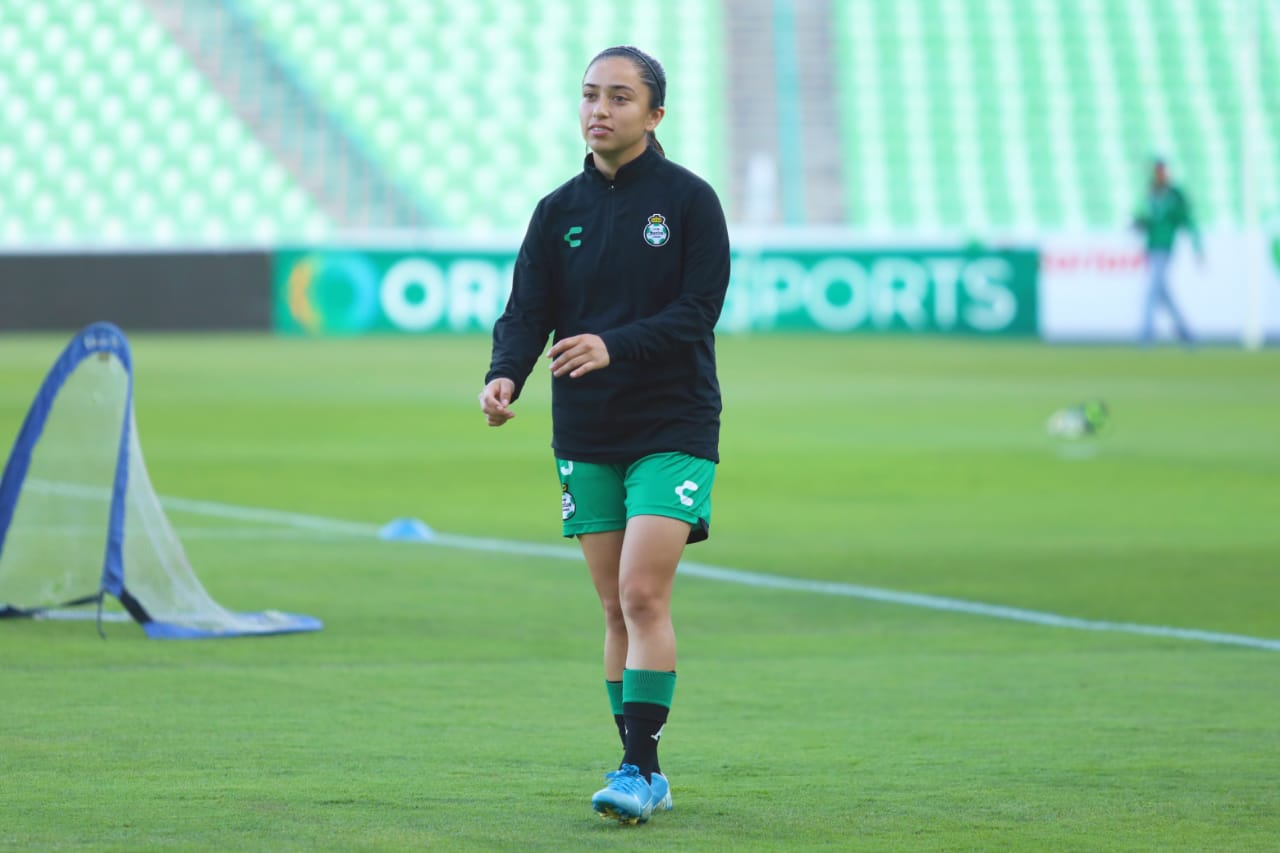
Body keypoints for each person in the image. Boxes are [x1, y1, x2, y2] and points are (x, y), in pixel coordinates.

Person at [478, 45, 730, 825]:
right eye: (591, 94)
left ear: (655, 114)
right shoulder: (558, 210)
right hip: (587, 428)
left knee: (642, 592)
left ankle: (638, 766)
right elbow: (528, 309)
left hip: (673, 421)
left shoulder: (689, 201)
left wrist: (614, 344)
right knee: (615, 609)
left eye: (620, 97)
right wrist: (505, 374)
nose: (600, 109)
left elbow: (700, 309)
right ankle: (641, 767)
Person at [1132, 158, 1203, 344]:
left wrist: (1197, 247)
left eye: (1161, 171)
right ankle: (1185, 332)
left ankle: (1146, 334)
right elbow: (1145, 219)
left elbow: (1188, 220)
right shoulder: (1151, 194)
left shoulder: (1174, 195)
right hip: (1152, 247)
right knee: (1162, 291)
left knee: (1152, 290)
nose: (1159, 175)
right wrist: (1139, 223)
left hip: (1165, 246)